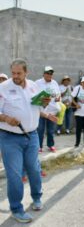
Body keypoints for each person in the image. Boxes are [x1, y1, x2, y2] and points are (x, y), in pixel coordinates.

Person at [0, 59, 55, 223]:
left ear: (26, 73)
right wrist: (6, 118)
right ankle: (16, 209)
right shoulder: (3, 88)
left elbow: (35, 107)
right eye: (13, 73)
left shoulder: (33, 85)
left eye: (19, 73)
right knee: (15, 174)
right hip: (10, 138)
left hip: (32, 136)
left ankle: (37, 197)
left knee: (33, 168)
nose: (15, 76)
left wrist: (46, 112)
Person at [36, 66, 61, 153]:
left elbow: (58, 94)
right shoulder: (38, 83)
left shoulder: (54, 83)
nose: (49, 75)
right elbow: (34, 96)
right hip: (42, 111)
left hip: (52, 111)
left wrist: (58, 97)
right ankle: (39, 146)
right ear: (44, 74)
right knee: (40, 130)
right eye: (47, 73)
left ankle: (51, 145)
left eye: (51, 73)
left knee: (51, 131)